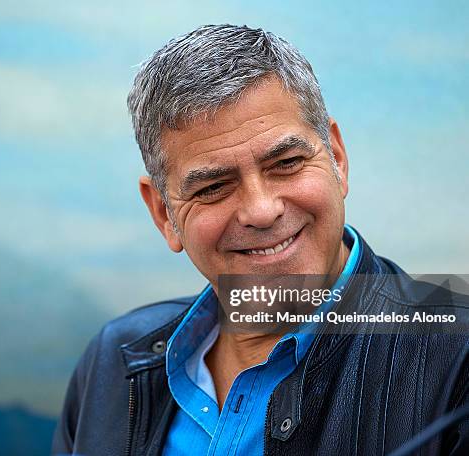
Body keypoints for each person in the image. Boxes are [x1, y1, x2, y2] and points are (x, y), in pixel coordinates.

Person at [52, 24, 468, 455]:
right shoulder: (113, 363)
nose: (261, 210)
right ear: (164, 214)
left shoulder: (458, 355)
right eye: (213, 187)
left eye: (287, 162)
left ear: (337, 159)